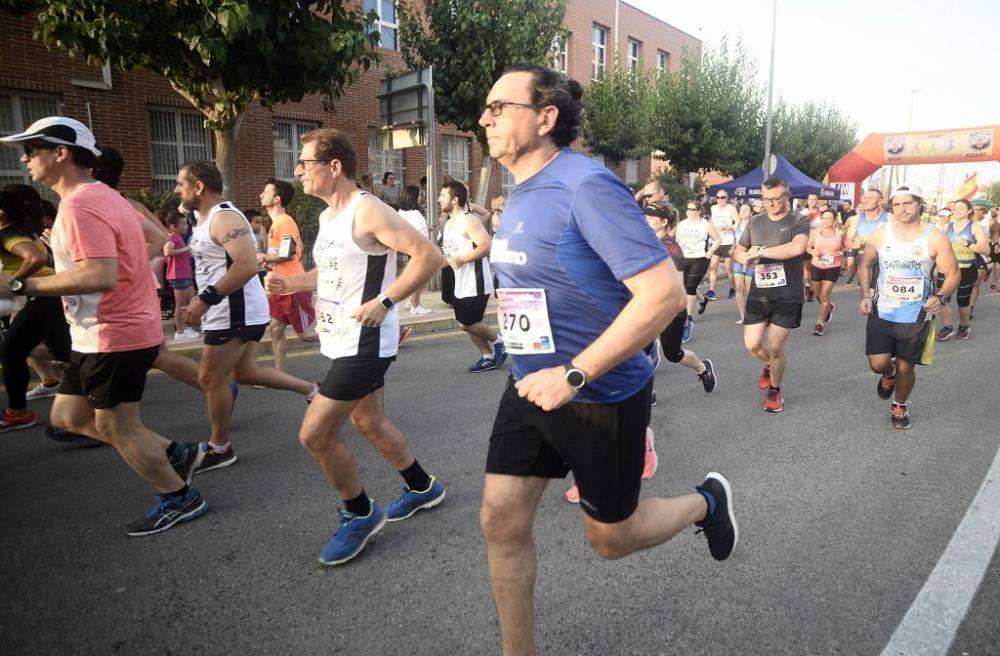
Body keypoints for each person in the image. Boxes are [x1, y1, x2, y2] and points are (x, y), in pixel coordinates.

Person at [478, 64, 737, 656]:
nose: (485, 118)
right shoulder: (522, 190)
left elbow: (664, 294)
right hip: (530, 385)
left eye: (499, 107)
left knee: (610, 538)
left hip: (598, 393)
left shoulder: (584, 186)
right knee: (500, 518)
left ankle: (707, 501)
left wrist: (575, 372)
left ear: (545, 118)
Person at [0, 116, 207, 535]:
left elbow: (100, 274)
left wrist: (23, 284)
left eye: (32, 149)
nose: (24, 159)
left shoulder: (79, 205)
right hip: (100, 330)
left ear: (61, 153)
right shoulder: (107, 196)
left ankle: (179, 497)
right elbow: (153, 240)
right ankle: (176, 452)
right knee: (70, 415)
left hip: (113, 332)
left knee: (116, 425)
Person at [264, 128, 447, 566]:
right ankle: (423, 487)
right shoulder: (329, 218)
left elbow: (429, 256)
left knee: (315, 433)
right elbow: (328, 274)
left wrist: (386, 302)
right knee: (370, 422)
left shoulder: (368, 211)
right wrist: (292, 282)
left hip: (365, 344)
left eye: (304, 164)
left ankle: (359, 512)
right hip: (340, 337)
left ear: (333, 167)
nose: (298, 173)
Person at [177, 161, 318, 473]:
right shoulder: (205, 219)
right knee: (245, 373)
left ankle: (219, 447)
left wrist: (205, 298)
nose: (177, 189)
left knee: (210, 378)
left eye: (181, 184)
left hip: (233, 310)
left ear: (198, 187)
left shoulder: (225, 217)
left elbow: (244, 265)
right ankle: (312, 391)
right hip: (231, 309)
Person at [859, 184, 959, 429]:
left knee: (907, 366)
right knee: (878, 364)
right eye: (897, 204)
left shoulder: (934, 236)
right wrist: (864, 294)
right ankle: (888, 374)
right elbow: (866, 265)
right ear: (891, 207)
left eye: (908, 203)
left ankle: (900, 406)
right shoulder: (881, 234)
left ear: (919, 204)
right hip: (882, 310)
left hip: (916, 314)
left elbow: (953, 272)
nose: (902, 209)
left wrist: (942, 295)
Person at [732, 176, 810, 413]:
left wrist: (763, 251)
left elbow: (797, 247)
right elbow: (738, 250)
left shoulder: (799, 220)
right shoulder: (755, 222)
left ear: (787, 195)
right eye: (767, 199)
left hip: (788, 294)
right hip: (760, 293)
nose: (772, 204)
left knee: (775, 347)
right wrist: (744, 256)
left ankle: (775, 390)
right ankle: (769, 365)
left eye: (777, 198)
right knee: (752, 345)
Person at [0, 190, 71, 432]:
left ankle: (18, 413)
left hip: (42, 295)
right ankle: (106, 378)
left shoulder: (8, 232)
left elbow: (35, 259)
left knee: (11, 350)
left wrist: (14, 284)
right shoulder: (23, 228)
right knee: (61, 350)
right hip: (47, 294)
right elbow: (43, 257)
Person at [440, 180, 507, 372]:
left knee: (466, 323)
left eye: (443, 195)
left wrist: (462, 260)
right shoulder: (449, 224)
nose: (439, 199)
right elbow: (449, 254)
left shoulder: (468, 220)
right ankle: (487, 356)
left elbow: (486, 245)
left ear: (455, 199)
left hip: (475, 282)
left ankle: (500, 342)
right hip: (460, 283)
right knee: (467, 323)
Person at [258, 178, 318, 373]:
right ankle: (279, 374)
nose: (261, 195)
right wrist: (269, 260)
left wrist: (263, 257)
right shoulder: (276, 224)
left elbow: (288, 254)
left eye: (266, 192)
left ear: (277, 199)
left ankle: (351, 338)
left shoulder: (285, 222)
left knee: (305, 335)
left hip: (294, 287)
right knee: (275, 329)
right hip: (280, 288)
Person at [935, 198, 988, 341]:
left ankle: (964, 326)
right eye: (955, 209)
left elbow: (986, 249)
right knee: (942, 298)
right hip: (947, 269)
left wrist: (968, 244)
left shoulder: (974, 227)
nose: (957, 211)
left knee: (962, 301)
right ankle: (947, 327)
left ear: (969, 210)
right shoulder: (947, 227)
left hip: (967, 269)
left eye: (961, 209)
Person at [675, 199, 721, 341]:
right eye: (688, 209)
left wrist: (710, 252)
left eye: (693, 209)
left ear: (699, 211)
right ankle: (702, 300)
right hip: (684, 258)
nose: (689, 212)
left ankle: (687, 321)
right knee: (685, 287)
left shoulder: (705, 224)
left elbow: (718, 239)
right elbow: (677, 241)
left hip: (700, 259)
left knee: (689, 287)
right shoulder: (681, 225)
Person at [162, 210, 200, 343]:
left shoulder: (179, 238)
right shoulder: (173, 238)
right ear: (173, 226)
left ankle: (186, 327)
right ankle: (180, 332)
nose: (187, 226)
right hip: (178, 276)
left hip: (185, 275)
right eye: (183, 224)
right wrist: (187, 248)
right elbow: (167, 251)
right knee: (180, 304)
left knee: (189, 301)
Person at [806, 208, 843, 336]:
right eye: (824, 218)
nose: (826, 221)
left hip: (833, 266)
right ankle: (828, 307)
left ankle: (819, 324)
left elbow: (846, 246)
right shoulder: (815, 232)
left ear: (834, 220)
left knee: (825, 294)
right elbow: (808, 247)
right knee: (817, 294)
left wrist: (841, 252)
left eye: (829, 218)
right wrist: (812, 252)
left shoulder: (840, 233)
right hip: (817, 265)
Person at [397, 185, 433, 315]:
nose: (420, 198)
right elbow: (422, 235)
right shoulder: (416, 214)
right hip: (420, 249)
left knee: (413, 275)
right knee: (422, 277)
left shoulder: (401, 211)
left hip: (408, 248)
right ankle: (415, 304)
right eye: (419, 195)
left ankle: (411, 300)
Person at [845, 189, 889, 288]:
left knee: (880, 292)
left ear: (880, 201)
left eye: (870, 198)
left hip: (884, 260)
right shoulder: (856, 219)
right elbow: (848, 240)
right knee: (868, 293)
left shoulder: (890, 218)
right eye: (864, 198)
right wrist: (854, 245)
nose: (865, 201)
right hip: (864, 259)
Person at [707, 190, 738, 301]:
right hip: (716, 241)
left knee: (729, 268)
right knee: (713, 266)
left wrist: (728, 227)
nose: (720, 200)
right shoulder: (713, 208)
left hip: (728, 241)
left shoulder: (731, 208)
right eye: (718, 197)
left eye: (723, 197)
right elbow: (712, 222)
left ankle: (732, 289)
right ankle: (711, 291)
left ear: (727, 197)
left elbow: (738, 223)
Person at [732, 203, 754, 324]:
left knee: (751, 290)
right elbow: (735, 242)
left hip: (751, 261)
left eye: (746, 210)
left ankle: (753, 315)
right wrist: (732, 249)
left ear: (751, 212)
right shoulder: (736, 226)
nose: (743, 212)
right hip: (738, 261)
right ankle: (743, 316)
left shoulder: (754, 225)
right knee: (739, 288)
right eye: (741, 210)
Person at [246, 208, 269, 285]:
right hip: (251, 269)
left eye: (261, 222)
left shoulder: (261, 234)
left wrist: (264, 237)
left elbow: (265, 250)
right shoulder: (246, 236)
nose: (260, 225)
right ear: (248, 223)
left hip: (262, 268)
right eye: (257, 222)